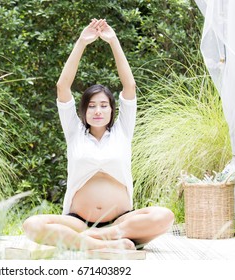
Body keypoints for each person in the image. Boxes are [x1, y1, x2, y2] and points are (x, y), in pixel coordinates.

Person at [23, 19, 174, 251]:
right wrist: (82, 43)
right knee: (32, 225)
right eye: (91, 106)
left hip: (122, 222)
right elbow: (62, 87)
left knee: (164, 216)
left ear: (112, 110)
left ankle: (98, 240)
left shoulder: (122, 131)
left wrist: (113, 41)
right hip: (78, 222)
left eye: (104, 105)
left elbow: (130, 86)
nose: (97, 111)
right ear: (83, 111)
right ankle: (100, 245)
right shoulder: (75, 133)